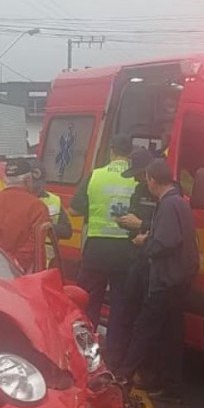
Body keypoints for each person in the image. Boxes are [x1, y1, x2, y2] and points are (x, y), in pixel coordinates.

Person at [117, 159, 199, 404]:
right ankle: (172, 387)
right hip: (180, 278)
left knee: (144, 329)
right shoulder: (179, 201)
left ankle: (122, 378)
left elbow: (166, 241)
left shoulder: (168, 204)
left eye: (147, 180)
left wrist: (146, 243)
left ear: (152, 180)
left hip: (165, 279)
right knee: (171, 335)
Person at [70, 135, 137, 329]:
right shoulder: (137, 178)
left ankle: (87, 346)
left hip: (97, 249)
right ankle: (115, 351)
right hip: (126, 249)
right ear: (130, 154)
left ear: (112, 151)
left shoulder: (95, 175)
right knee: (120, 305)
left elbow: (74, 209)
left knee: (88, 301)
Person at [107, 147, 159, 380]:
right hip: (136, 258)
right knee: (127, 312)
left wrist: (142, 227)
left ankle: (141, 370)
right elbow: (134, 217)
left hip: (154, 264)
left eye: (140, 174)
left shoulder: (169, 193)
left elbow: (163, 225)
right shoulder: (139, 191)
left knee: (146, 320)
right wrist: (128, 227)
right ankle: (118, 363)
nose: (138, 179)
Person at [0, 158, 51, 273]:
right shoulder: (37, 207)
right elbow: (35, 242)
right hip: (25, 274)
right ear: (28, 180)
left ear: (5, 180)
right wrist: (16, 263)